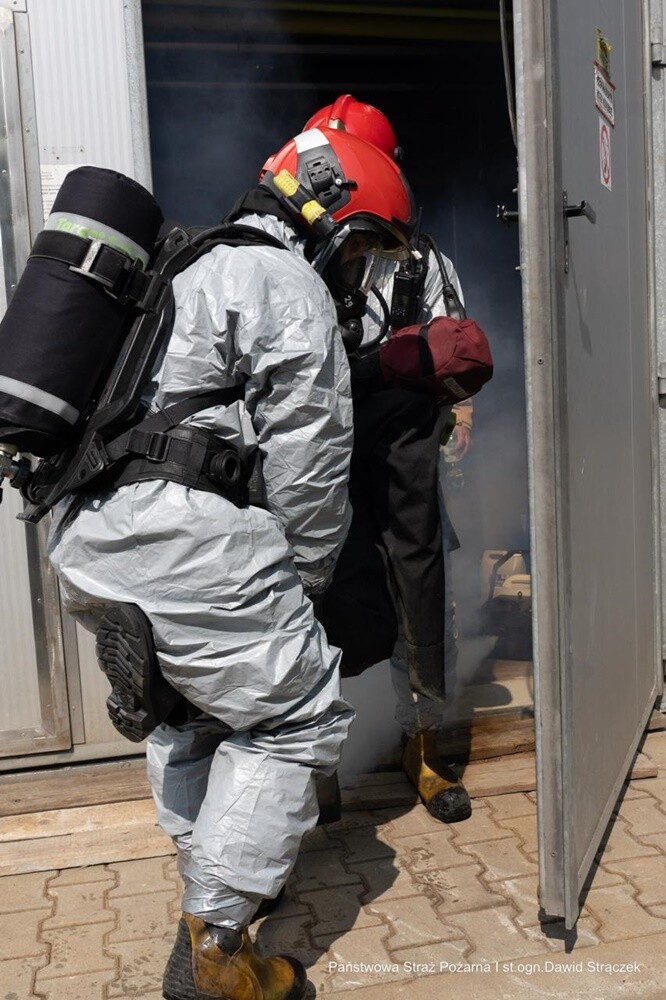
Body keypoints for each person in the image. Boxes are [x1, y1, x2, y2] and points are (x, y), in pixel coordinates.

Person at [47, 125, 416, 1000]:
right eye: (361, 248)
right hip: (184, 538)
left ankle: (216, 880)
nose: (358, 271)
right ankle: (216, 944)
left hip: (93, 535)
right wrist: (306, 580)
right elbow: (311, 454)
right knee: (297, 713)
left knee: (192, 713)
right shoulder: (286, 280)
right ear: (330, 220)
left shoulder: (182, 264)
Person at [304, 95, 477, 824]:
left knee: (423, 596)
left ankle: (424, 748)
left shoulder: (424, 259)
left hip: (404, 449)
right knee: (313, 598)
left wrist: (460, 415)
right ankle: (317, 768)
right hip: (318, 450)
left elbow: (456, 343)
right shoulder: (292, 260)